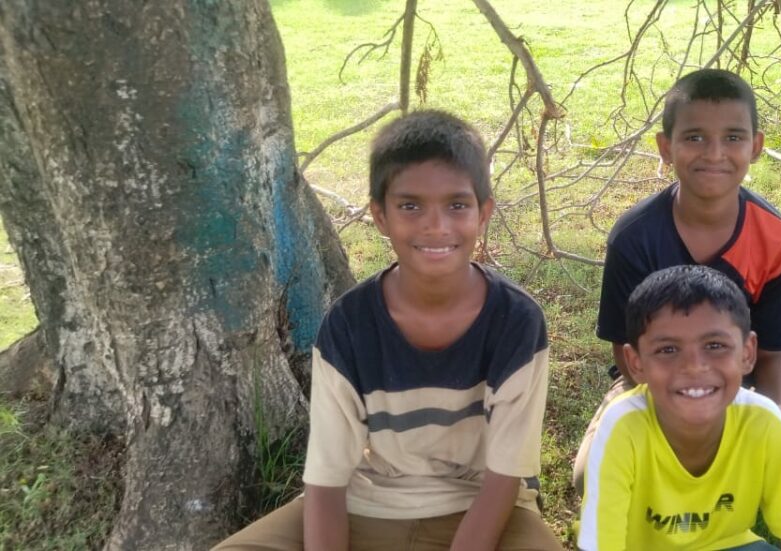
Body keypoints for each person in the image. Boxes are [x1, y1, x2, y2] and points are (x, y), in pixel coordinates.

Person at [215, 110, 561, 550]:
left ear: (483, 212)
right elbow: (326, 480)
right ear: (380, 216)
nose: (436, 225)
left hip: (482, 508)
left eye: (457, 205)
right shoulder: (349, 325)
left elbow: (503, 479)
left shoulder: (517, 321)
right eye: (410, 206)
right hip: (367, 503)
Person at [573, 69, 781, 544]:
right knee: (589, 475)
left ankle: (767, 487)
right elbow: (626, 353)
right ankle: (726, 488)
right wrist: (685, 417)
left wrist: (763, 434)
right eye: (694, 137)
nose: (714, 153)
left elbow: (776, 357)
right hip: (657, 379)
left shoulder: (776, 239)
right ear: (665, 147)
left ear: (755, 146)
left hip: (742, 378)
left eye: (732, 137)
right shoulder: (634, 238)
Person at [578, 265, 781, 550]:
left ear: (747, 353)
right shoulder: (622, 428)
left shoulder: (763, 421)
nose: (694, 367)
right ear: (636, 364)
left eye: (715, 345)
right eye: (668, 350)